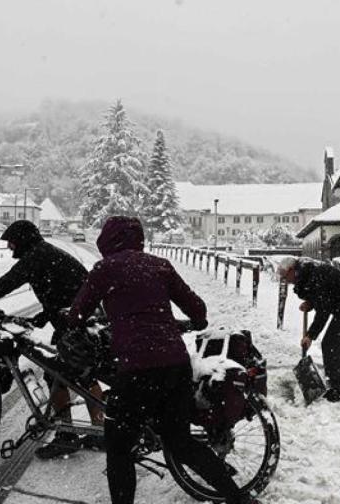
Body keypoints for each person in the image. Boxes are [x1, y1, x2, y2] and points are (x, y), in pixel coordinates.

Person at [65, 216, 249, 504]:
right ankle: (239, 499)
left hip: (136, 369)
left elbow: (77, 315)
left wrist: (86, 320)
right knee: (180, 442)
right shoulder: (159, 265)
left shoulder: (105, 269)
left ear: (107, 240)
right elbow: (198, 310)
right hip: (175, 366)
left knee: (119, 447)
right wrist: (188, 321)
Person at [0, 219, 105, 459]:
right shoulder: (46, 252)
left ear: (23, 240)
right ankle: (97, 430)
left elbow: (2, 286)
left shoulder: (36, 256)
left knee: (62, 374)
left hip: (76, 322)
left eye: (12, 242)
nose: (10, 247)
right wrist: (45, 315)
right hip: (83, 318)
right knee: (79, 374)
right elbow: (67, 287)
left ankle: (70, 436)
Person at [278, 256, 340, 403]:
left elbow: (323, 311)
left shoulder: (314, 276)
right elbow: (323, 295)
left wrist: (310, 335)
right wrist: (311, 302)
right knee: (339, 341)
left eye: (285, 276)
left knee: (330, 344)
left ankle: (337, 391)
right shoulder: (306, 275)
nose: (285, 280)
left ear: (292, 270)